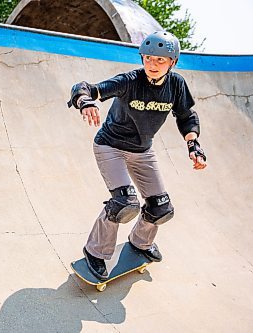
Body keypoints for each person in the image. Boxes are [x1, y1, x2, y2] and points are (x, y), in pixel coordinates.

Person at [68, 31, 207, 280]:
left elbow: (186, 116)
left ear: (172, 62)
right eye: (148, 58)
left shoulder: (176, 85)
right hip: (110, 146)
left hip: (143, 151)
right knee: (125, 203)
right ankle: (95, 252)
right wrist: (85, 102)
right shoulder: (131, 80)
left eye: (160, 60)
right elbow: (86, 88)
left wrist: (193, 145)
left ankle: (140, 243)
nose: (152, 65)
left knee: (161, 207)